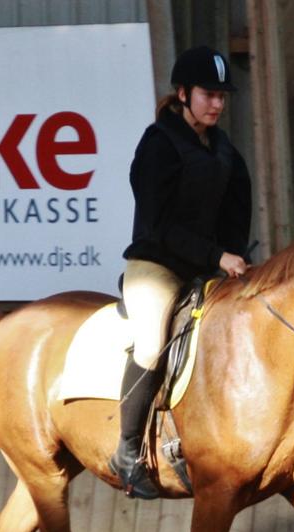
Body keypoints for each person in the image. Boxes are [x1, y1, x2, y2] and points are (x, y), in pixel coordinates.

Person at [109, 45, 253, 500]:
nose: (217, 104)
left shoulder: (224, 149)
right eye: (209, 95)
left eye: (222, 96)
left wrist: (234, 258)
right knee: (152, 344)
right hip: (157, 266)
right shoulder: (159, 145)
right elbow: (159, 224)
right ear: (183, 93)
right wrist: (216, 256)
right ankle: (127, 453)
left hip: (207, 268)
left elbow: (236, 213)